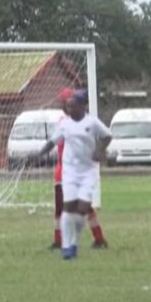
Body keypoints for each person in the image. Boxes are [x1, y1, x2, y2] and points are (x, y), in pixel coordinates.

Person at [30, 90, 112, 260]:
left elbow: (107, 136)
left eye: (71, 105)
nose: (68, 108)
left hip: (88, 170)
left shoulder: (92, 122)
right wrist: (39, 155)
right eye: (66, 105)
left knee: (82, 210)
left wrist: (98, 150)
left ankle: (74, 240)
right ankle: (66, 246)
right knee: (67, 207)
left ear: (82, 106)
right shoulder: (64, 124)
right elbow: (52, 142)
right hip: (69, 171)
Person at [50, 88, 108, 251]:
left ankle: (60, 240)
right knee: (83, 208)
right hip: (71, 170)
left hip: (67, 171)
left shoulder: (66, 123)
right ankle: (98, 237)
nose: (65, 105)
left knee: (63, 209)